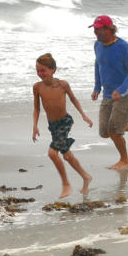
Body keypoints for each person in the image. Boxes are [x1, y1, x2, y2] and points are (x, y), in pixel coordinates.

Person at [32, 53, 93, 198]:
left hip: (64, 122)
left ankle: (66, 184)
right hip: (52, 125)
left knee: (52, 153)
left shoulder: (63, 85)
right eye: (38, 70)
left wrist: (84, 116)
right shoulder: (37, 87)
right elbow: (37, 108)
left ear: (53, 69)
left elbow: (74, 99)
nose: (40, 73)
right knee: (66, 155)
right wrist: (35, 126)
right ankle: (86, 177)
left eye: (43, 70)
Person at [90, 15, 128, 171]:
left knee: (113, 131)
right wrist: (97, 87)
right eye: (94, 29)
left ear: (108, 29)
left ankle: (124, 160)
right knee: (104, 132)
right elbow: (98, 65)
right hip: (107, 93)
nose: (95, 32)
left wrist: (122, 90)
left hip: (124, 94)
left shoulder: (123, 47)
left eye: (98, 29)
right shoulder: (97, 45)